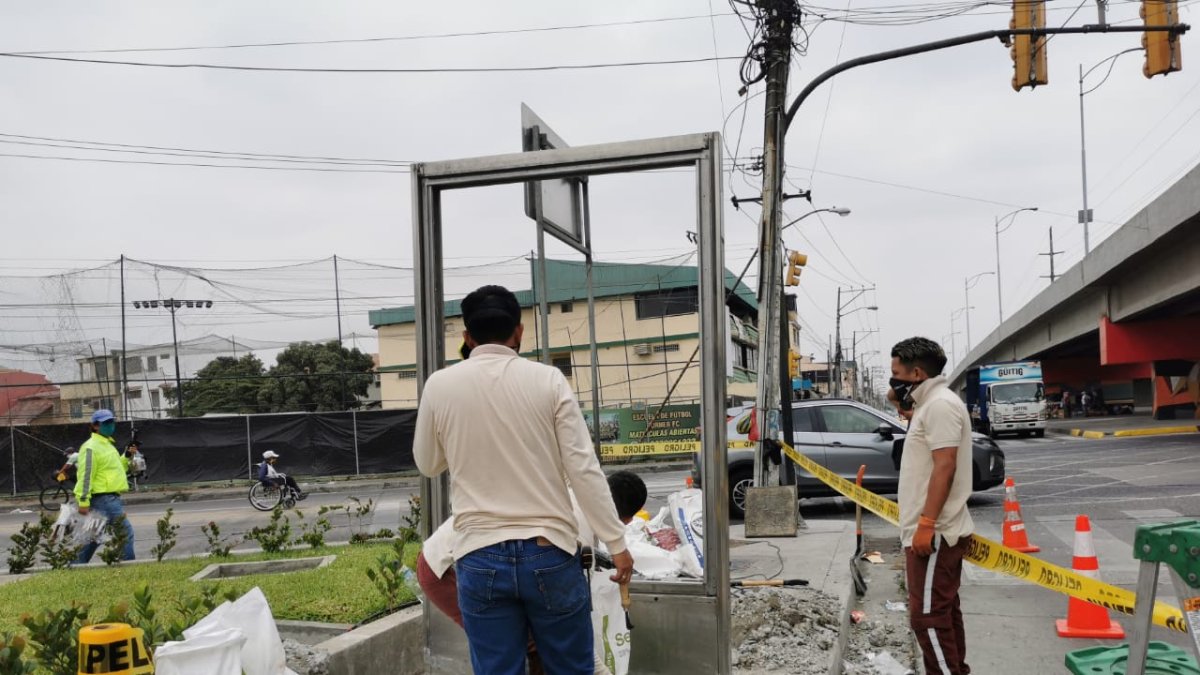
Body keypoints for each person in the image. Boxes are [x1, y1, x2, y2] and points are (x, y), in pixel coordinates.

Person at [414, 284, 634, 675]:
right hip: (549, 552)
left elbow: (428, 463)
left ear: (467, 337)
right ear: (519, 331)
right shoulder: (548, 381)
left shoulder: (439, 385)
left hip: (478, 556)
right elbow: (583, 470)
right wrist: (617, 545)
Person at [415, 470, 649, 675]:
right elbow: (570, 630)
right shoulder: (578, 524)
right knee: (527, 645)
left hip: (476, 560)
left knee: (534, 643)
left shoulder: (575, 495)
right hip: (445, 569)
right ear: (625, 521)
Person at [889, 337, 974, 675]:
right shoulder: (931, 401)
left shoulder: (939, 406)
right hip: (934, 532)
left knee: (927, 618)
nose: (892, 380)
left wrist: (926, 524)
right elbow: (894, 396)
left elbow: (945, 466)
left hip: (935, 534)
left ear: (917, 373)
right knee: (944, 613)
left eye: (896, 373)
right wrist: (902, 397)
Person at [74, 409, 135, 563]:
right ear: (95, 426)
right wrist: (83, 501)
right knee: (125, 533)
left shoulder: (107, 445)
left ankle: (75, 566)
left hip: (109, 497)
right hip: (104, 499)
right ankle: (129, 565)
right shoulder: (91, 447)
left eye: (111, 422)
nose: (110, 425)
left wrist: (126, 456)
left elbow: (115, 470)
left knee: (93, 537)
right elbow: (86, 476)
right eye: (106, 423)